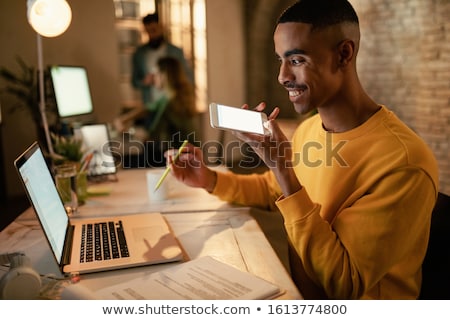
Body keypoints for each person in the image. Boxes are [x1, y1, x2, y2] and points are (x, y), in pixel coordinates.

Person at [166, 0, 439, 299]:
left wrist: (282, 168)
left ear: (344, 54)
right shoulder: (310, 128)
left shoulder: (403, 162)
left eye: (296, 60)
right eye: (280, 60)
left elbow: (343, 283)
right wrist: (209, 180)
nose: (282, 76)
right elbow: (273, 191)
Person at [116, 56, 197, 166]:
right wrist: (124, 119)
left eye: (155, 72)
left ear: (164, 75)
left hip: (179, 158)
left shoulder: (169, 103)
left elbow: (151, 135)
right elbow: (149, 108)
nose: (153, 77)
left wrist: (128, 131)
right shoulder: (174, 96)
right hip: (190, 153)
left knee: (123, 161)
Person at [131, 13, 194, 109]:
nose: (152, 35)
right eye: (148, 31)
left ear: (161, 27)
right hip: (151, 104)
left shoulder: (175, 52)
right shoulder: (140, 54)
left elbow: (188, 77)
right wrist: (145, 82)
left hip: (173, 105)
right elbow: (135, 81)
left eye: (154, 30)